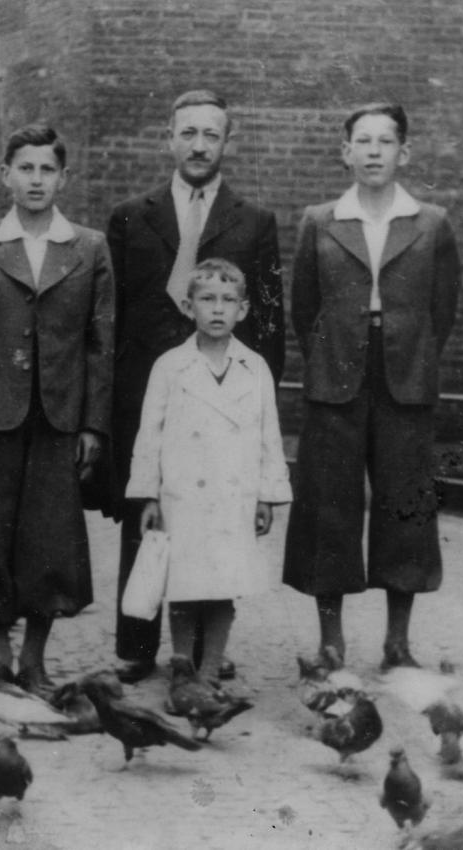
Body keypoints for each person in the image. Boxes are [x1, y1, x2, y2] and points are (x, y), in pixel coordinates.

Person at [108, 89, 285, 683]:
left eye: (212, 134)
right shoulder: (132, 215)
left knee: (213, 525)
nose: (200, 145)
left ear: (227, 142)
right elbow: (112, 316)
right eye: (189, 133)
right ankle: (136, 644)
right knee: (151, 518)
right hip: (148, 388)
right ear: (170, 138)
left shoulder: (254, 221)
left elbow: (267, 318)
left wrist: (251, 404)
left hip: (222, 394)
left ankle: (208, 650)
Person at [283, 103, 461, 672]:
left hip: (405, 381)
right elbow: (303, 306)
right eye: (364, 141)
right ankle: (331, 641)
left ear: (404, 152)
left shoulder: (431, 221)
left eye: (387, 141)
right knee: (328, 506)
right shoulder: (320, 219)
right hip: (335, 379)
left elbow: (444, 307)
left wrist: (411, 356)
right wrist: (331, 358)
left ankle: (397, 642)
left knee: (404, 507)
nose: (375, 151)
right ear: (346, 151)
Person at [0, 124, 114, 695]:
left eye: (47, 170)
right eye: (26, 168)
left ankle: (35, 659)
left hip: (58, 419)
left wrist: (92, 423)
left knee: (49, 540)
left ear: (64, 177)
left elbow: (99, 344)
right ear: (5, 175)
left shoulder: (87, 246)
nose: (36, 180)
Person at [126, 258, 291, 689]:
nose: (217, 310)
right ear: (188, 306)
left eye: (228, 300)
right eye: (207, 300)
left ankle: (212, 668)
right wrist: (149, 495)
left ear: (244, 308)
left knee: (223, 585)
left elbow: (269, 436)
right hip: (183, 496)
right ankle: (182, 666)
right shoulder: (169, 366)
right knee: (185, 584)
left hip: (232, 497)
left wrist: (266, 496)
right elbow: (150, 435)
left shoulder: (254, 368)